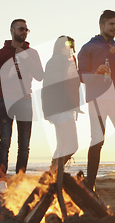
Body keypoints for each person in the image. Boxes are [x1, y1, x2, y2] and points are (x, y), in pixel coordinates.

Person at [78, 10, 115, 192]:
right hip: (97, 100)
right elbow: (80, 76)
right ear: (101, 25)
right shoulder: (87, 48)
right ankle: (90, 184)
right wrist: (95, 73)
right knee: (97, 141)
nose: (114, 28)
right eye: (111, 24)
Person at [0, 19, 44, 193]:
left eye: (26, 29)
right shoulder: (1, 53)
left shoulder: (32, 52)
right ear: (11, 30)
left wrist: (27, 57)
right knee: (5, 142)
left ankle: (20, 180)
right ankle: (2, 181)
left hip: (25, 100)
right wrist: (7, 75)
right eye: (21, 29)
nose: (24, 32)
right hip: (5, 100)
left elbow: (40, 76)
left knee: (24, 145)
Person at [42, 36, 81, 170]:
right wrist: (67, 75)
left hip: (60, 107)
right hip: (60, 107)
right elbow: (49, 79)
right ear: (60, 47)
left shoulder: (66, 61)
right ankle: (53, 173)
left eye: (72, 46)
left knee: (62, 146)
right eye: (67, 45)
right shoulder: (57, 60)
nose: (70, 49)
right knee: (72, 146)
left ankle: (53, 179)